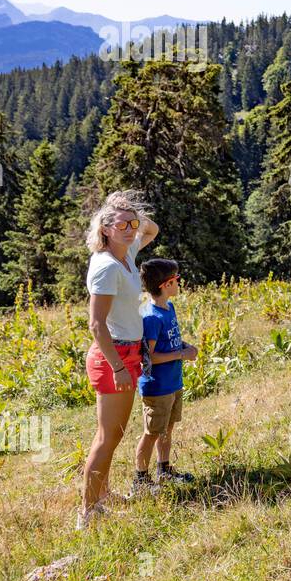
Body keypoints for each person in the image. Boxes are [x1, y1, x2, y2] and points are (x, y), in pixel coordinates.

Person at [79, 191, 158, 530]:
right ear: (105, 229)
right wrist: (119, 367)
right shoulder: (107, 266)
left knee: (116, 432)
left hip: (128, 352)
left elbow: (152, 229)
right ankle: (88, 511)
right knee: (108, 436)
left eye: (133, 223)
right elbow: (96, 324)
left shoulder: (126, 254)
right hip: (115, 355)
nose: (131, 228)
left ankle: (103, 493)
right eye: (122, 224)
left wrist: (124, 205)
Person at [133, 258, 198, 496]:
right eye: (176, 279)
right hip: (157, 387)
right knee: (151, 433)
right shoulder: (151, 317)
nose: (179, 283)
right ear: (165, 284)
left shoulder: (168, 308)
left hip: (173, 382)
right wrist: (181, 353)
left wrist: (186, 346)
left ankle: (164, 470)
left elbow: (172, 340)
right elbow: (148, 358)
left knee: (167, 429)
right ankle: (140, 479)